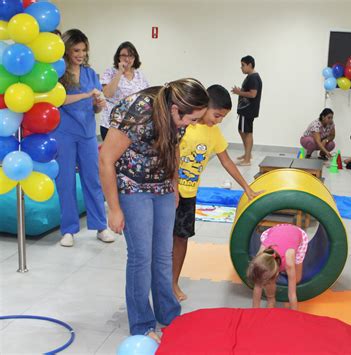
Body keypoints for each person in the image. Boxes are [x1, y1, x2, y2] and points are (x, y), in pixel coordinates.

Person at [99, 79, 209, 342]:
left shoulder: (179, 117)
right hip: (132, 185)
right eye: (191, 119)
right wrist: (114, 208)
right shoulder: (137, 112)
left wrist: (174, 185)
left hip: (161, 185)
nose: (192, 124)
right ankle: (142, 323)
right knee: (141, 257)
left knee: (163, 254)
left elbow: (174, 148)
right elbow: (105, 159)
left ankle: (169, 315)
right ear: (175, 109)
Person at [172, 85, 260, 301]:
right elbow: (170, 154)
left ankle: (173, 282)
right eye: (217, 115)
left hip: (189, 194)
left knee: (181, 239)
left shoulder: (214, 133)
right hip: (169, 191)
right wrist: (172, 186)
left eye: (223, 117)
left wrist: (246, 187)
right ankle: (159, 281)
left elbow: (227, 161)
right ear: (204, 106)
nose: (219, 120)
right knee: (162, 240)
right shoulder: (186, 124)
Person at [52, 29, 113, 247]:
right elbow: (58, 100)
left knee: (93, 180)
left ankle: (100, 225)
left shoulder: (90, 73)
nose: (81, 54)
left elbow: (94, 108)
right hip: (64, 134)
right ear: (67, 50)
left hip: (87, 134)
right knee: (65, 182)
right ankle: (68, 230)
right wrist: (88, 95)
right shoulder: (57, 73)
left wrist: (98, 104)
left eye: (84, 50)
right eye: (76, 50)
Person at [247, 224, 308, 311]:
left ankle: (280, 295)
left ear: (277, 273)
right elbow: (257, 287)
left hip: (296, 234)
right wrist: (254, 312)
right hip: (275, 231)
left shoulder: (289, 261)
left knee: (296, 278)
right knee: (265, 281)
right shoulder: (261, 255)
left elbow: (292, 294)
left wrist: (294, 315)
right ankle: (271, 299)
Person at [100, 41, 149, 140]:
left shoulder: (140, 75)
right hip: (112, 124)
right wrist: (120, 72)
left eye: (130, 56)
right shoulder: (110, 72)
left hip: (133, 125)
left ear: (135, 58)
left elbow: (146, 97)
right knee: (112, 155)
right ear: (118, 57)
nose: (127, 59)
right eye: (123, 55)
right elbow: (108, 94)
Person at [231, 55, 263, 166]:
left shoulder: (253, 77)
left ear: (250, 65)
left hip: (248, 110)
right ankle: (247, 154)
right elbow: (249, 92)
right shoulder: (251, 76)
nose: (241, 68)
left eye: (243, 65)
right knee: (242, 130)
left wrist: (239, 92)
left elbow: (253, 94)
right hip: (245, 110)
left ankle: (247, 159)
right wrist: (241, 91)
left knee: (247, 133)